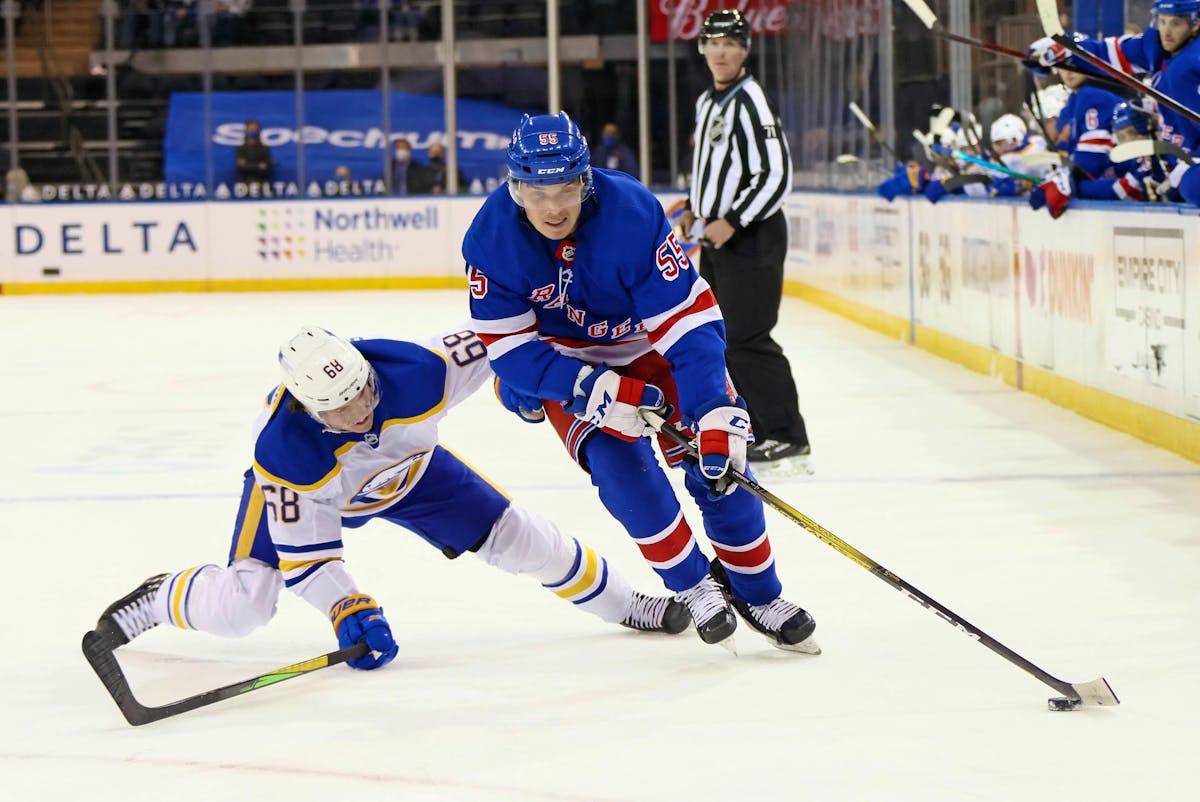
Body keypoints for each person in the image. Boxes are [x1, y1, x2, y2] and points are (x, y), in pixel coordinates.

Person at [89, 326, 689, 667]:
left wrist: (525, 381)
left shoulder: (420, 369)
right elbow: (309, 562)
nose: (360, 410)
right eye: (339, 406)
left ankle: (627, 604)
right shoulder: (287, 457)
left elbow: (507, 336)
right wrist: (347, 608)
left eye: (363, 390)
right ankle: (161, 598)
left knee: (521, 538)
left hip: (412, 472)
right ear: (307, 406)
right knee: (246, 606)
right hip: (326, 492)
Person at [462, 111, 819, 653]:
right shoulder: (490, 239)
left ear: (586, 180)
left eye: (565, 189)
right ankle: (695, 586)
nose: (553, 208)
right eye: (536, 193)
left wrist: (712, 408)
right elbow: (509, 350)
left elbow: (687, 320)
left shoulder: (630, 211)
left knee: (721, 464)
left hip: (652, 348)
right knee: (621, 471)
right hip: (570, 364)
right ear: (515, 188)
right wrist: (584, 387)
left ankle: (759, 594)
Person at [673, 9, 812, 475]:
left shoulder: (751, 100)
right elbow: (709, 167)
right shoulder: (708, 101)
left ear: (745, 50)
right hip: (719, 236)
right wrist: (693, 206)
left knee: (749, 337)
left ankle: (788, 435)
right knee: (722, 337)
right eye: (713, 43)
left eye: (730, 43)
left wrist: (732, 220)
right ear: (702, 48)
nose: (720, 52)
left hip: (752, 236)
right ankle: (757, 429)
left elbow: (776, 175)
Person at [234, 119, 273, 184]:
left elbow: (266, 168)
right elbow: (241, 167)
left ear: (258, 132)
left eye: (255, 130)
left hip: (261, 182)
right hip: (243, 183)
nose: (252, 132)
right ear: (245, 131)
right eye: (250, 130)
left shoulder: (264, 149)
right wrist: (259, 166)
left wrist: (248, 165)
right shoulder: (240, 149)